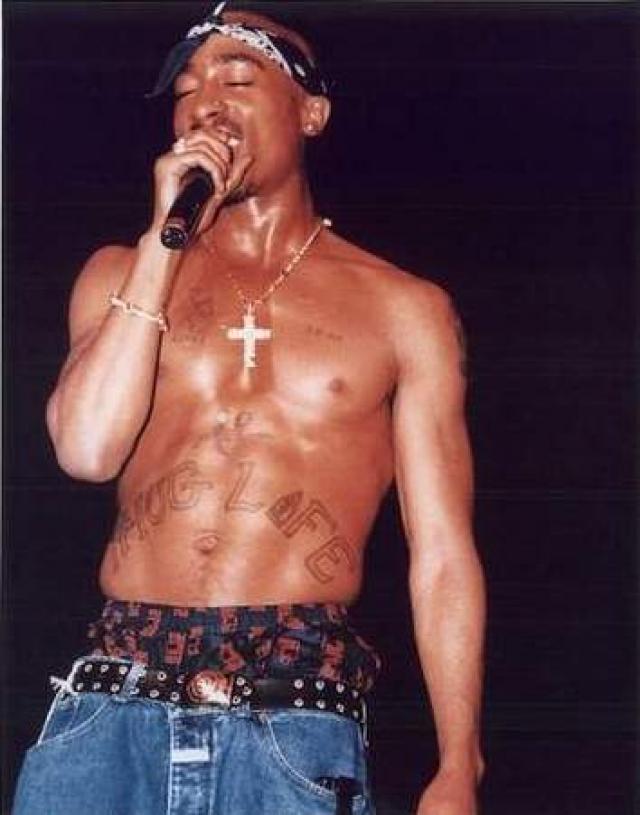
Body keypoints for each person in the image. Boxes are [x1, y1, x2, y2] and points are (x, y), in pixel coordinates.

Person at [12, 3, 486, 814]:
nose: (205, 103)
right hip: (108, 710)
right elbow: (86, 450)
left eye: (237, 79)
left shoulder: (404, 309)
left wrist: (457, 763)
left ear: (311, 113)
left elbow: (441, 552)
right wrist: (163, 242)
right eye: (186, 90)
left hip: (291, 718)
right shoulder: (117, 274)